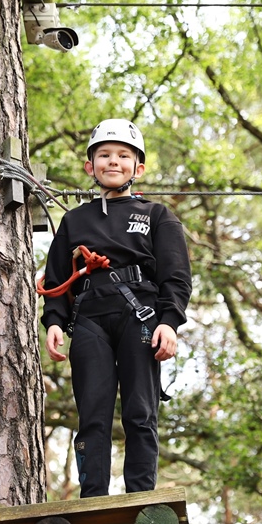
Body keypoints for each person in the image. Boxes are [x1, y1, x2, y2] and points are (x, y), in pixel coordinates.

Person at [39, 118, 192, 497]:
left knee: (141, 411)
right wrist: (54, 321)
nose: (113, 161)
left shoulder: (156, 215)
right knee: (92, 413)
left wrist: (169, 322)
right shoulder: (75, 220)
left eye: (123, 156)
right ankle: (93, 498)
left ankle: (141, 496)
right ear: (89, 166)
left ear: (138, 168)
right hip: (89, 318)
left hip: (140, 314)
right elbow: (56, 277)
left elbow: (176, 275)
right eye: (104, 155)